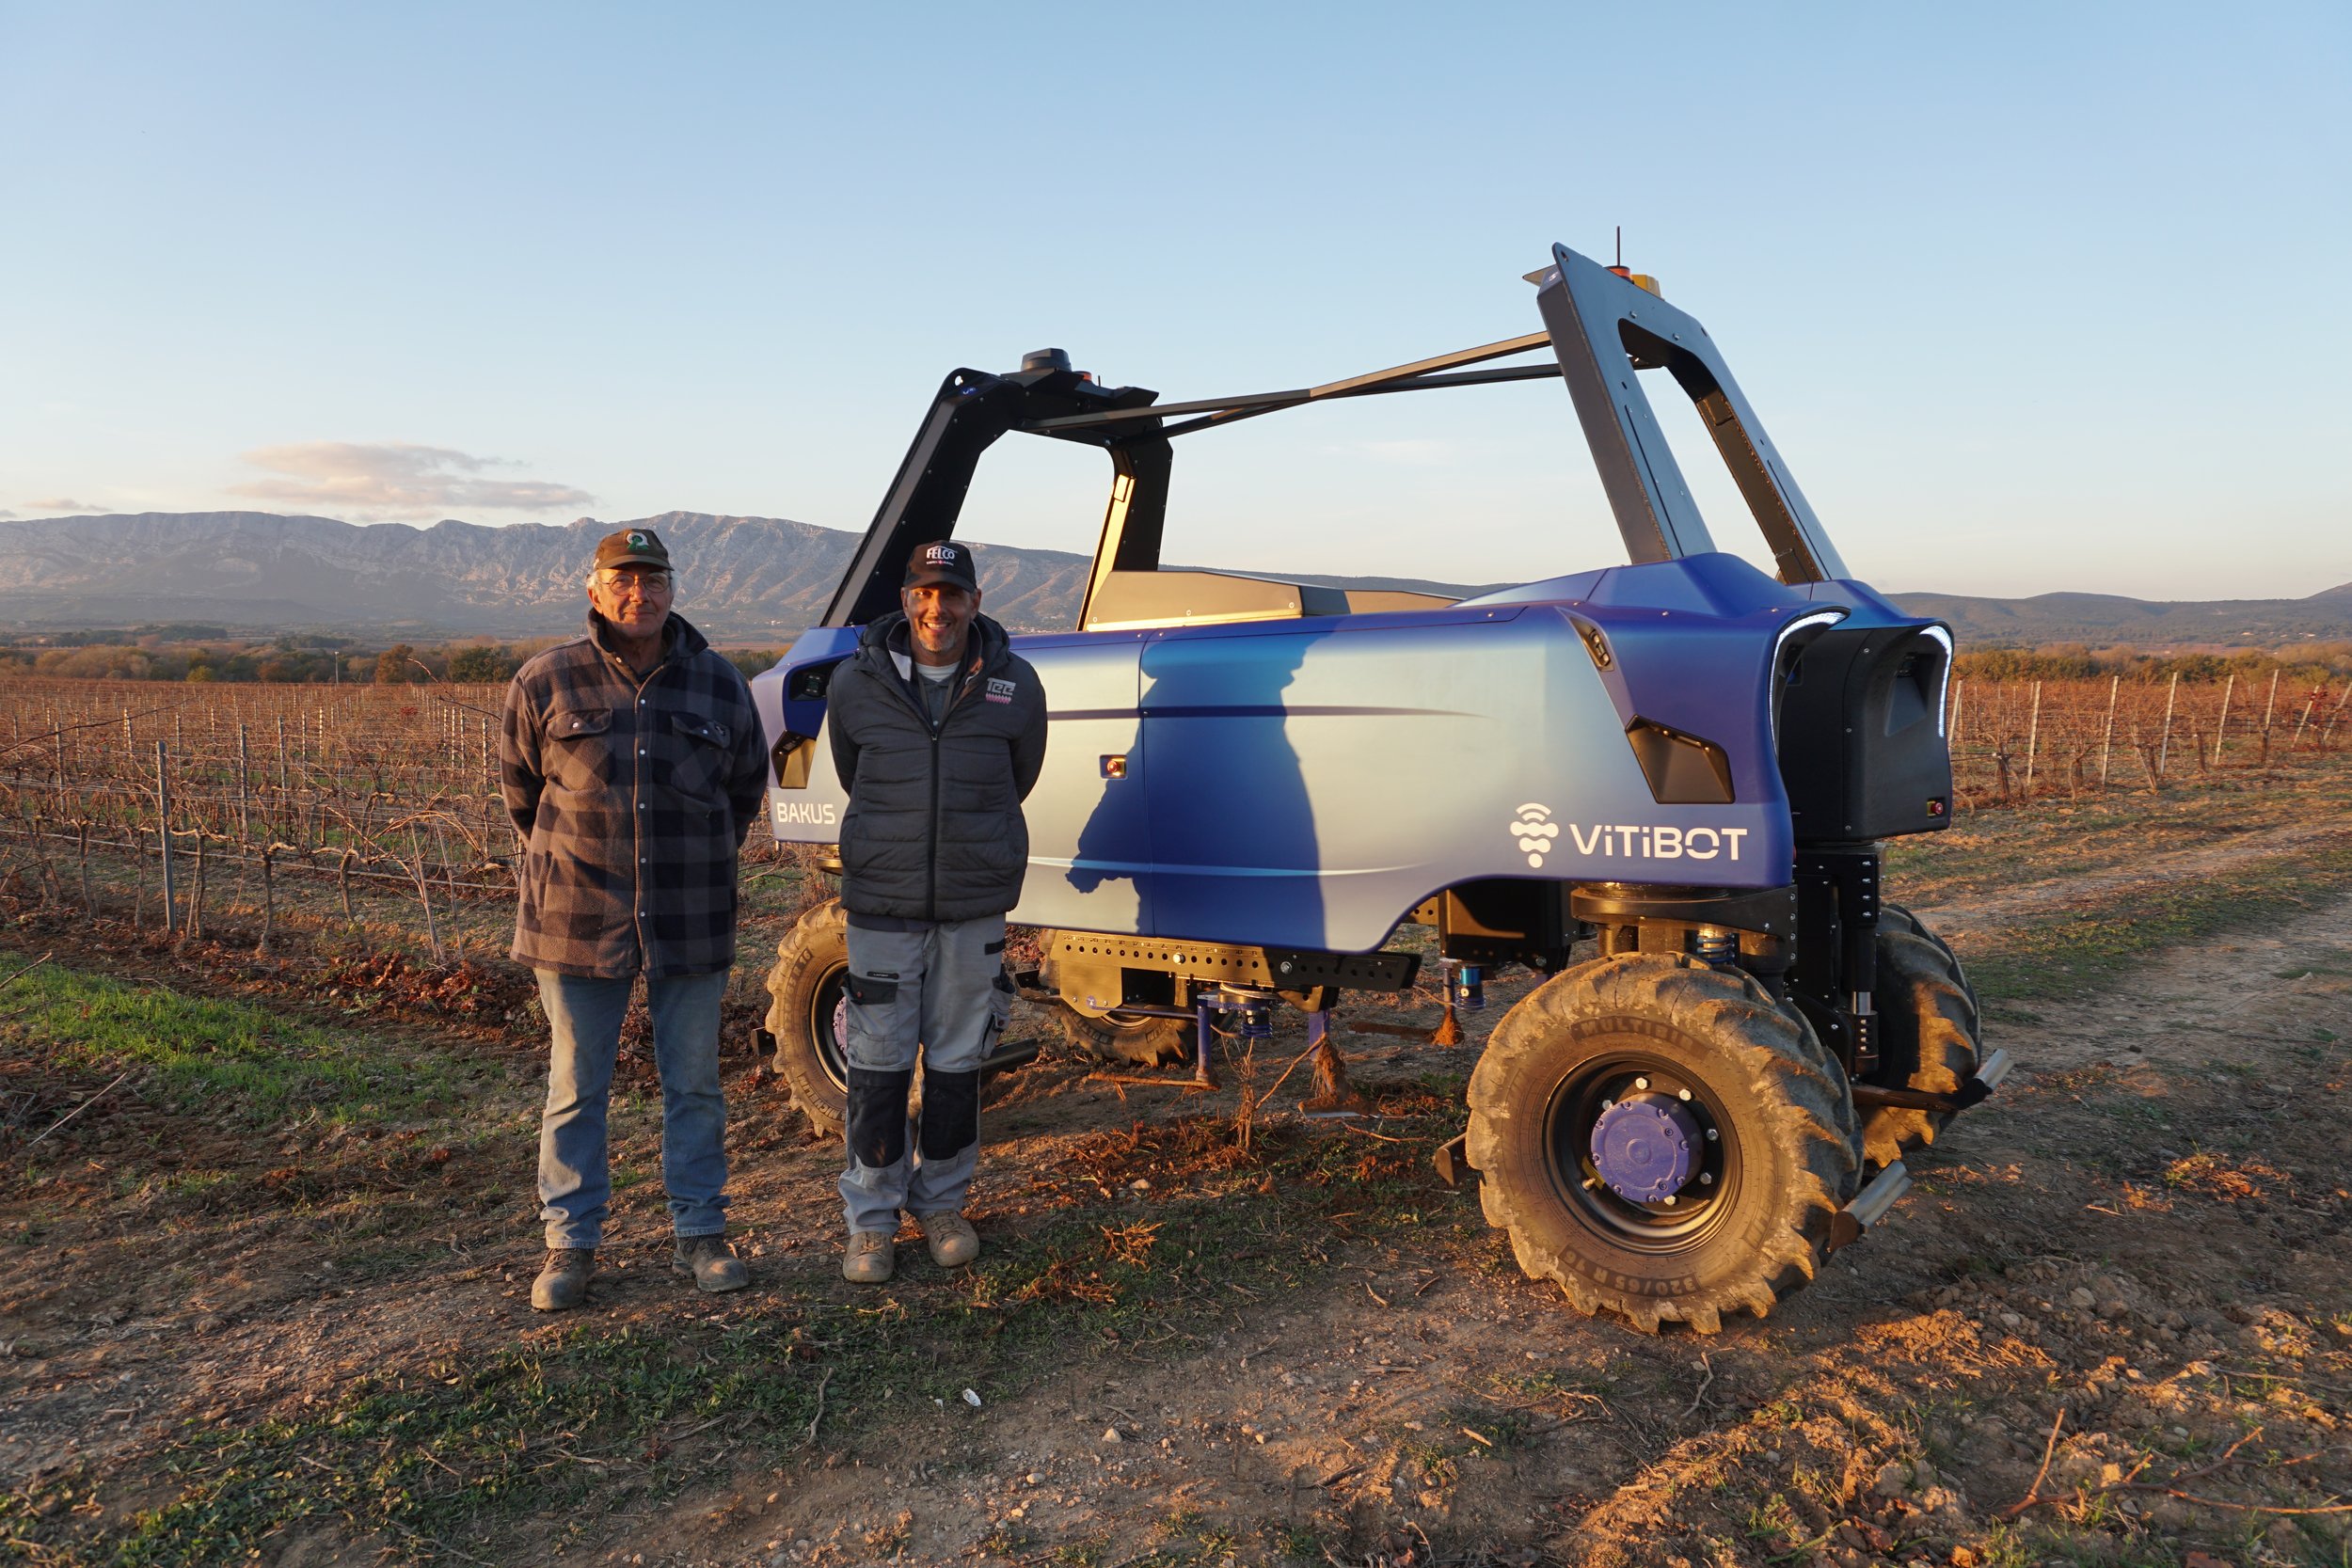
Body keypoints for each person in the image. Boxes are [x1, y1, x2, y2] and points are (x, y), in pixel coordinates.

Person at [501, 527, 770, 1311]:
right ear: (594, 590)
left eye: (652, 580)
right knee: (577, 1085)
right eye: (622, 580)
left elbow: (743, 790)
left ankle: (701, 1231)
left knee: (694, 1084)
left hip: (690, 914)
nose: (638, 593)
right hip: (576, 915)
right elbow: (523, 795)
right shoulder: (545, 681)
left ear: (673, 590)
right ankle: (569, 1244)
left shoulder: (721, 685)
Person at [824, 538, 1048, 1283]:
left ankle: (943, 1202)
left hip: (972, 902)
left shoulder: (1015, 684)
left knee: (957, 1063)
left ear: (974, 602)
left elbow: (1020, 777)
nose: (936, 608)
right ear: (906, 600)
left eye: (951, 594)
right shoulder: (856, 686)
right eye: (923, 592)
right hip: (883, 904)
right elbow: (855, 774)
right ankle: (873, 1219)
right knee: (878, 1067)